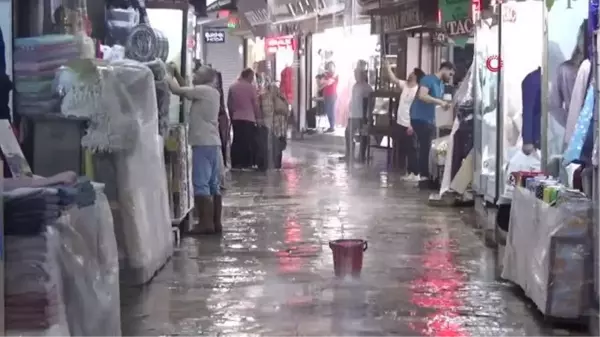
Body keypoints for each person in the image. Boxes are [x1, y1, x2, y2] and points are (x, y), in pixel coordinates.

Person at [167, 66, 223, 235]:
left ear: (204, 78)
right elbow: (189, 91)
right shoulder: (212, 92)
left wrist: (166, 74)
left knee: (201, 183)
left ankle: (205, 224)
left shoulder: (202, 90)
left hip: (202, 142)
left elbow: (177, 90)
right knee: (214, 185)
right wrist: (177, 74)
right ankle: (215, 223)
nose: (193, 75)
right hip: (213, 143)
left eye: (196, 74)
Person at [410, 61, 454, 182]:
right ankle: (423, 176)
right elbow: (422, 96)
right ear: (444, 69)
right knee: (425, 146)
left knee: (428, 146)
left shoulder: (441, 85)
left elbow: (437, 101)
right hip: (419, 117)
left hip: (430, 119)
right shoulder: (428, 79)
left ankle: (426, 174)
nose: (450, 77)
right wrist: (440, 102)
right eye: (450, 74)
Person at [384, 61, 425, 180]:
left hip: (409, 124)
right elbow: (394, 79)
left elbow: (417, 108)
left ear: (416, 77)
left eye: (412, 73)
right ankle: (409, 172)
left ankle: (415, 173)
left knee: (412, 148)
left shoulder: (417, 90)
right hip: (400, 122)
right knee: (405, 148)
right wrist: (388, 68)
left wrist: (412, 125)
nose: (410, 74)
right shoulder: (405, 85)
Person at [228, 68, 260, 169]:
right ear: (248, 76)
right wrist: (258, 117)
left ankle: (236, 163)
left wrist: (231, 115)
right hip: (249, 119)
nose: (252, 79)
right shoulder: (251, 88)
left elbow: (229, 104)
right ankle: (246, 164)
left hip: (236, 118)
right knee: (247, 142)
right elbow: (255, 104)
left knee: (237, 141)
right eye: (252, 77)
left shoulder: (232, 86)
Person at [256, 82, 291, 170]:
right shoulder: (282, 98)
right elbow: (287, 112)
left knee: (269, 145)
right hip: (281, 126)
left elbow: (266, 112)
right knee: (279, 145)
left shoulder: (264, 97)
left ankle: (266, 165)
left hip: (271, 125)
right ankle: (277, 165)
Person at [341, 68, 372, 162]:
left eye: (357, 74)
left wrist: (366, 116)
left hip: (361, 115)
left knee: (363, 135)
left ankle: (361, 156)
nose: (355, 76)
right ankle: (349, 154)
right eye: (354, 73)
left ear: (362, 75)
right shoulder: (355, 85)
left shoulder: (366, 87)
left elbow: (368, 103)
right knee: (348, 133)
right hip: (353, 114)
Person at [319, 61, 338, 133]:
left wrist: (325, 81)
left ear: (334, 67)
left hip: (332, 95)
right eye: (329, 66)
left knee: (331, 111)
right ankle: (330, 126)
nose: (330, 68)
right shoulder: (326, 75)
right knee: (327, 110)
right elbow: (321, 82)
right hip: (326, 95)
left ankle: (332, 126)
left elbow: (329, 82)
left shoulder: (335, 75)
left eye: (331, 66)